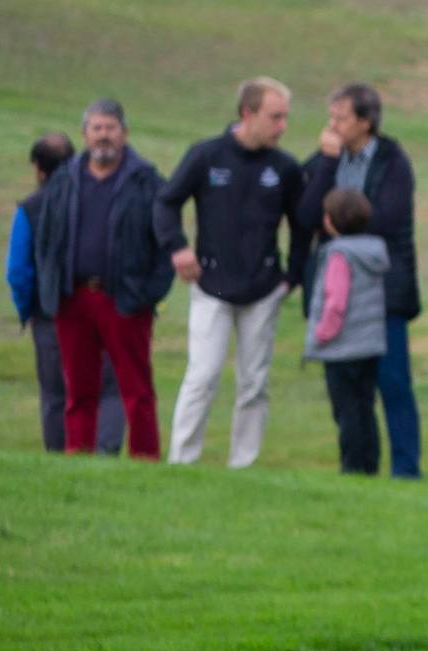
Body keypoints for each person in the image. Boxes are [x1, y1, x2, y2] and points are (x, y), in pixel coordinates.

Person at [156, 78, 304, 469]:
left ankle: (244, 465)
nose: (282, 126)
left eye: (285, 117)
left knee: (254, 383)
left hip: (264, 289)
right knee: (202, 376)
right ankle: (181, 461)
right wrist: (178, 247)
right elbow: (166, 203)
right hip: (211, 286)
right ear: (247, 114)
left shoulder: (284, 167)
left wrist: (293, 276)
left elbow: (302, 224)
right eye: (275, 117)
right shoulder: (206, 156)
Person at [291, 84, 422, 477]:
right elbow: (306, 216)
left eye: (341, 118)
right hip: (337, 292)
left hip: (383, 293)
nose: (332, 126)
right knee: (347, 391)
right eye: (330, 117)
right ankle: (357, 467)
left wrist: (339, 228)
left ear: (365, 123)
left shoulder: (393, 161)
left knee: (393, 382)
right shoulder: (322, 161)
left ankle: (405, 470)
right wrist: (329, 165)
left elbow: (387, 220)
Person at [32, 98, 170, 459]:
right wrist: (52, 288)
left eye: (111, 128)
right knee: (78, 388)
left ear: (124, 133)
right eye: (97, 128)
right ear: (85, 134)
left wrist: (148, 293)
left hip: (124, 298)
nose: (104, 136)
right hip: (73, 298)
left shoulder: (147, 181)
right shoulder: (64, 181)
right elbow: (45, 240)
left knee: (136, 388)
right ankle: (77, 456)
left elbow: (165, 242)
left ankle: (144, 461)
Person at [10, 133, 124, 454]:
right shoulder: (99, 198)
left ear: (38, 168)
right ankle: (105, 453)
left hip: (50, 312)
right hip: (104, 304)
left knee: (56, 393)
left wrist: (27, 308)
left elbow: (18, 270)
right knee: (108, 389)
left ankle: (61, 457)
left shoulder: (30, 208)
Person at [303, 188, 389, 475]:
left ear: (330, 222)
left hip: (342, 347)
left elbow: (336, 301)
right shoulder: (375, 251)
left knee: (346, 411)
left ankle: (352, 466)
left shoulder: (338, 255)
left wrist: (321, 334)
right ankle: (370, 464)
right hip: (370, 345)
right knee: (366, 407)